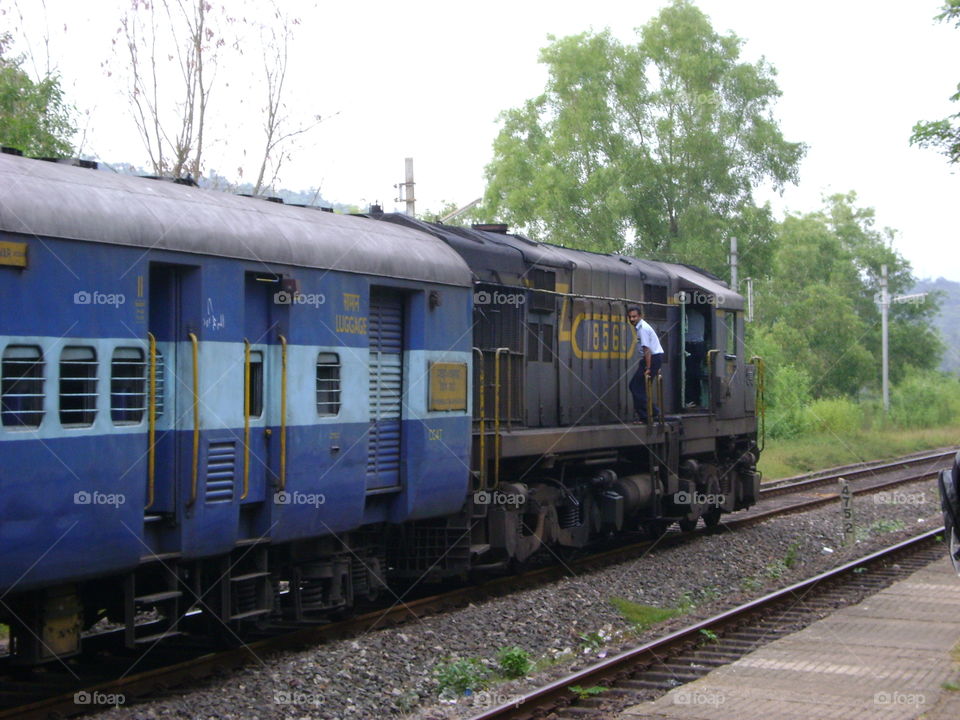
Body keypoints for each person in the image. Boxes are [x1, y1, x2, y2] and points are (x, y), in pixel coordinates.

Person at [627, 306, 664, 423]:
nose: (632, 319)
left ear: (640, 316)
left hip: (652, 358)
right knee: (639, 387)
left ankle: (648, 414)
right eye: (630, 317)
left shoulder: (642, 329)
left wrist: (648, 367)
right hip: (654, 358)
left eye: (634, 316)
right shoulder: (642, 327)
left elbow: (646, 349)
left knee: (635, 386)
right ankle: (650, 413)